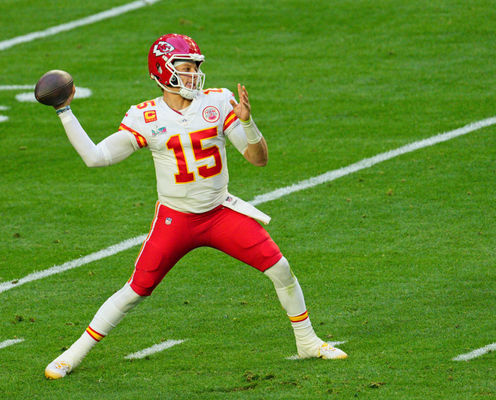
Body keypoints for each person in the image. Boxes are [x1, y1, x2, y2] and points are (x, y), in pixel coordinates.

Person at [44, 33, 347, 379]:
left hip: (220, 213)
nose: (192, 75)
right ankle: (73, 353)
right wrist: (64, 111)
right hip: (176, 219)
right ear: (162, 72)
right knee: (135, 291)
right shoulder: (145, 115)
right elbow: (95, 158)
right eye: (184, 68)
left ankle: (307, 341)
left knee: (280, 268)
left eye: (194, 68)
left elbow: (258, 159)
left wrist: (248, 123)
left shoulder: (217, 102)